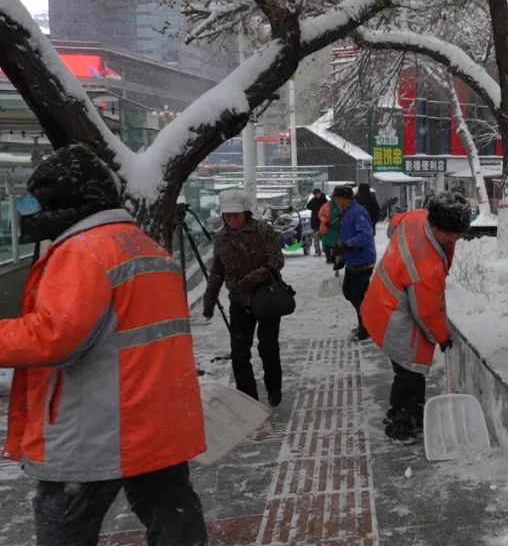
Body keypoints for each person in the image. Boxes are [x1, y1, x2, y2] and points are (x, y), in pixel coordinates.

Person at [0, 145, 208, 545]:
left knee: (66, 530)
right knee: (175, 522)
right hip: (157, 423)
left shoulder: (84, 251)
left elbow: (54, 337)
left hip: (95, 431)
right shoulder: (148, 248)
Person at [360, 192, 471, 444]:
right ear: (437, 227)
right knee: (410, 371)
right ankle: (401, 421)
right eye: (453, 235)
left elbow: (395, 223)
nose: (456, 239)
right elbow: (426, 312)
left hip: (382, 299)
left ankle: (410, 414)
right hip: (395, 317)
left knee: (406, 370)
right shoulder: (426, 264)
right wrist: (442, 336)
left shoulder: (417, 218)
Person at [203, 189, 286, 406]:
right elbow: (218, 271)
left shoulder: (262, 231)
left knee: (268, 348)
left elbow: (276, 261)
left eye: (236, 215)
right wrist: (209, 300)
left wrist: (253, 278)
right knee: (239, 353)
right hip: (239, 302)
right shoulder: (221, 238)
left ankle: (274, 388)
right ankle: (248, 399)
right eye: (227, 216)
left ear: (246, 213)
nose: (232, 220)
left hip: (265, 298)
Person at [331, 186, 376, 340]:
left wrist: (347, 245)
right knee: (349, 292)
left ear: (345, 198)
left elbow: (365, 236)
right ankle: (365, 323)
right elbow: (348, 235)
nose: (336, 201)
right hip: (353, 260)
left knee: (359, 297)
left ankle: (367, 328)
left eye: (337, 198)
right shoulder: (347, 213)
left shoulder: (358, 212)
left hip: (363, 260)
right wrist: (341, 258)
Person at [320, 197, 342, 273]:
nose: (333, 200)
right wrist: (325, 221)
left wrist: (341, 216)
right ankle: (328, 258)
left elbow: (345, 214)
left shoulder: (340, 206)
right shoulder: (325, 206)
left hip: (337, 229)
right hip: (327, 228)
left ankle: (334, 258)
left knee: (336, 244)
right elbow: (320, 214)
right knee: (327, 244)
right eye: (332, 198)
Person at [306, 188, 328, 256]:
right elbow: (308, 206)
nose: (316, 195)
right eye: (314, 194)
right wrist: (314, 199)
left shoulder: (324, 200)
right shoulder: (314, 200)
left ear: (320, 193)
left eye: (316, 194)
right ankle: (318, 251)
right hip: (316, 222)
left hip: (323, 222)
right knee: (316, 239)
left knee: (324, 238)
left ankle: (325, 250)